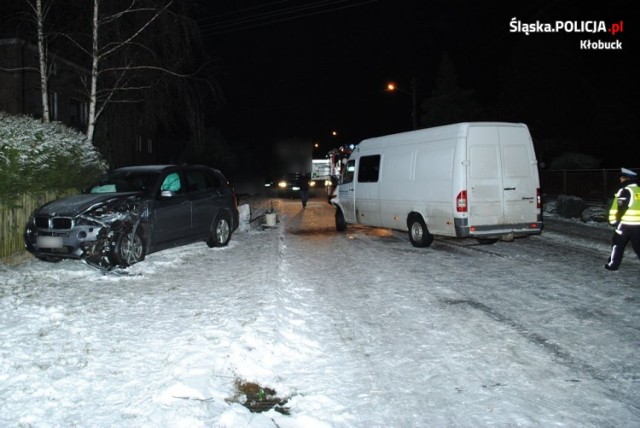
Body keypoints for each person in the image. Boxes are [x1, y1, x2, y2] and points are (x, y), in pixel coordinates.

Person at [604, 167, 640, 271]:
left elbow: (621, 208)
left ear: (627, 178)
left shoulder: (625, 190)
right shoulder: (638, 190)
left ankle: (613, 265)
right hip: (638, 225)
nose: (620, 179)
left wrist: (614, 221)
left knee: (617, 245)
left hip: (625, 224)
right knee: (638, 246)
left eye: (622, 178)